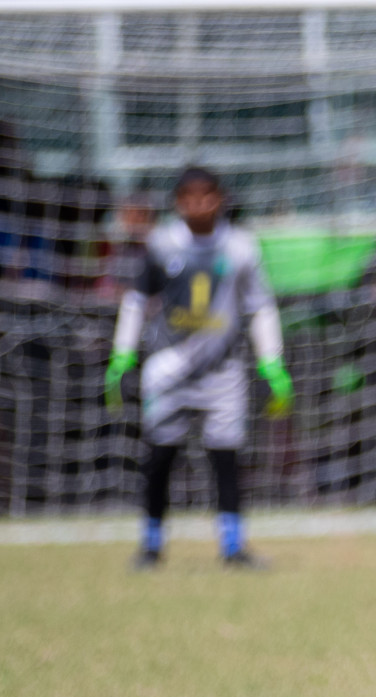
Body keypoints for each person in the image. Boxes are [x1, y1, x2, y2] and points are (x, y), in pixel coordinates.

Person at [105, 167, 292, 568]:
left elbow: (260, 306)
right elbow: (137, 300)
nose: (198, 204)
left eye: (206, 195)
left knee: (226, 458)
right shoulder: (163, 243)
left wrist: (272, 362)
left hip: (223, 369)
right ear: (177, 202)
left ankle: (233, 547)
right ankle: (151, 545)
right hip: (169, 366)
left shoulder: (241, 247)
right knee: (160, 457)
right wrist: (123, 354)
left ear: (221, 198)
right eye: (189, 197)